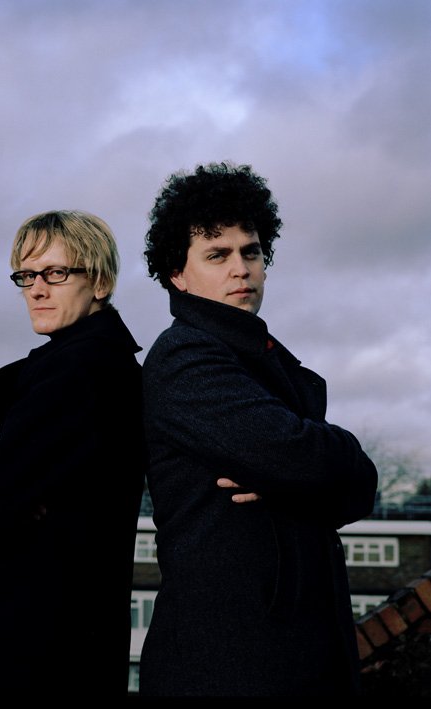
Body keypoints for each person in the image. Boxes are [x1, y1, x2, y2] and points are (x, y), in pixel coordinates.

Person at [138, 162, 378, 698]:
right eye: (217, 255)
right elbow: (297, 455)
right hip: (229, 662)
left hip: (289, 651)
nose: (241, 269)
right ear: (177, 275)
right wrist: (319, 461)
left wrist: (300, 477)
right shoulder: (185, 357)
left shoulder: (264, 360)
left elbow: (360, 487)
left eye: (251, 252)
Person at [0, 210, 146, 696]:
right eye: (26, 275)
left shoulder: (84, 370)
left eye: (55, 273)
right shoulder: (93, 364)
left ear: (100, 282)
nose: (36, 290)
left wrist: (2, 494)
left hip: (45, 644)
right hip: (68, 635)